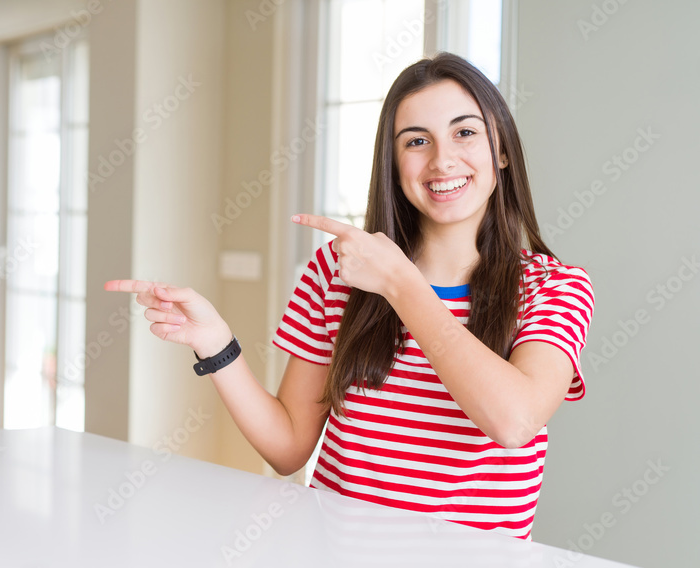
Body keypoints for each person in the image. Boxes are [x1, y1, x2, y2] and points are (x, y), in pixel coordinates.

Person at [104, 52, 594, 541]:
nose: (442, 159)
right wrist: (216, 344)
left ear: (502, 150)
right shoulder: (336, 274)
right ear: (394, 165)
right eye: (417, 141)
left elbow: (514, 421)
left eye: (465, 132)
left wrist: (402, 285)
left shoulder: (555, 287)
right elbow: (289, 448)